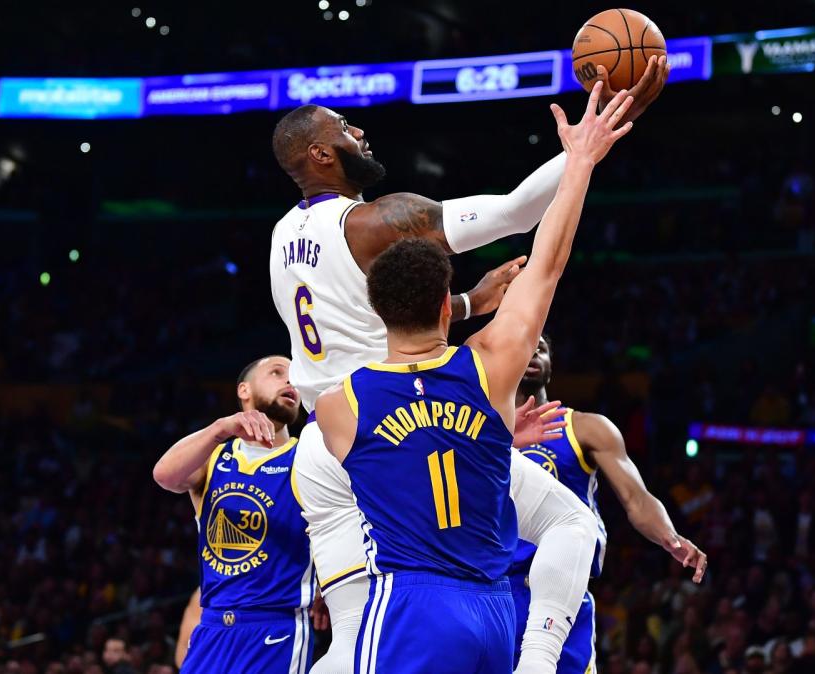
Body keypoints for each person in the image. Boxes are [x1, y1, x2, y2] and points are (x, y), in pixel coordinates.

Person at [269, 56, 672, 674]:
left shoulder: (279, 238)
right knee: (569, 521)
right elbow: (517, 215)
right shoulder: (374, 221)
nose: (361, 133)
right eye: (347, 127)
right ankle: (539, 659)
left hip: (332, 433)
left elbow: (367, 312)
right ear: (320, 154)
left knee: (358, 636)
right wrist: (600, 135)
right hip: (396, 423)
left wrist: (465, 303)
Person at [511, 333, 707, 672]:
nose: (531, 353)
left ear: (551, 365)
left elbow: (636, 497)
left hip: (562, 588)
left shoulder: (586, 428)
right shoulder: (481, 430)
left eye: (540, 348)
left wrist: (670, 536)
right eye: (522, 346)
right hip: (495, 590)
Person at [152, 356, 313, 674]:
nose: (289, 382)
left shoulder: (308, 454)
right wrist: (220, 428)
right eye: (277, 373)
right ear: (244, 390)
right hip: (212, 627)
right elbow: (164, 475)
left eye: (295, 376)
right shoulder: (214, 455)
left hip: (275, 625)